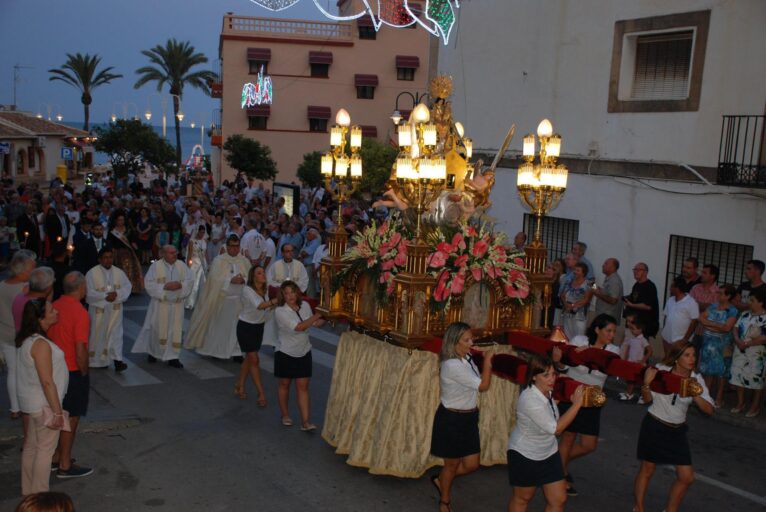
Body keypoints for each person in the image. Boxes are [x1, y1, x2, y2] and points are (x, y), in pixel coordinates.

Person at [633, 342, 714, 512]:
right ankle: (639, 507)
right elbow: (647, 400)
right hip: (655, 425)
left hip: (677, 431)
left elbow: (709, 410)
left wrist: (695, 393)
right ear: (677, 359)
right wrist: (646, 384)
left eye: (693, 355)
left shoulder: (696, 379)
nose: (692, 359)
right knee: (647, 469)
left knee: (687, 477)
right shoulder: (662, 371)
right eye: (687, 355)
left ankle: (670, 510)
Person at [552, 313, 620, 497]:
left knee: (589, 444)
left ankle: (557, 463)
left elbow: (607, 368)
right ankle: (561, 476)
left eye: (614, 331)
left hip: (593, 399)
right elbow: (563, 368)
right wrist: (561, 360)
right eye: (608, 330)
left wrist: (588, 356)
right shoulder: (579, 340)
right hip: (572, 394)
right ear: (597, 329)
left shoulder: (613, 350)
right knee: (568, 437)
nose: (611, 335)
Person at [506, 354, 585, 512]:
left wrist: (561, 399)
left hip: (549, 452)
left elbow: (550, 409)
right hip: (525, 455)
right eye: (546, 375)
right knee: (523, 499)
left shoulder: (547, 391)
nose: (552, 379)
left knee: (558, 499)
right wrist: (576, 405)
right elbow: (556, 429)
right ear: (534, 377)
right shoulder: (529, 399)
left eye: (553, 374)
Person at [429, 322, 494, 512]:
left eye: (471, 338)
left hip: (469, 418)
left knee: (472, 464)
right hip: (451, 420)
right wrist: (488, 363)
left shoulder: (466, 358)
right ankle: (445, 501)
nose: (471, 342)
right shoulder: (452, 365)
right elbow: (483, 386)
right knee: (452, 465)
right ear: (454, 342)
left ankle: (441, 480)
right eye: (466, 340)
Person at [16, 299, 68, 495]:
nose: (56, 311)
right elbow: (47, 382)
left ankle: (29, 493)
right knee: (45, 452)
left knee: (31, 447)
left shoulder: (27, 340)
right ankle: (40, 497)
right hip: (44, 405)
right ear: (40, 318)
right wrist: (57, 413)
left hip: (31, 403)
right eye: (51, 310)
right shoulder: (40, 344)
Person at [46, 272, 93, 479]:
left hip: (53, 368)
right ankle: (65, 462)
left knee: (58, 414)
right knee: (70, 419)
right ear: (81, 288)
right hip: (72, 369)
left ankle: (56, 456)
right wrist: (84, 371)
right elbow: (80, 348)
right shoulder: (80, 312)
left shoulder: (54, 305)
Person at [185, 235, 251, 360]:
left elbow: (251, 278)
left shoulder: (244, 261)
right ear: (227, 246)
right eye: (232, 246)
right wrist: (230, 280)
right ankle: (216, 351)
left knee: (238, 329)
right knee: (220, 328)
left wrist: (244, 279)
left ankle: (236, 353)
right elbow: (214, 280)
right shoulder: (219, 260)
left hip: (240, 301)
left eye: (237, 246)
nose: (235, 249)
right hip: (222, 300)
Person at [274, 280, 324, 430]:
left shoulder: (305, 306)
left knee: (303, 387)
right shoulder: (280, 311)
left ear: (297, 292)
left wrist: (327, 317)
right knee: (285, 384)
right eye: (286, 293)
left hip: (304, 351)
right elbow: (299, 327)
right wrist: (318, 314)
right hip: (286, 352)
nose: (290, 295)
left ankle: (305, 422)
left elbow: (313, 324)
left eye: (292, 292)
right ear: (283, 295)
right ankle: (285, 415)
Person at [132, 245, 193, 368]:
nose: (174, 255)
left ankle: (173, 357)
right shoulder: (155, 266)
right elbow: (148, 284)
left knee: (174, 331)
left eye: (175, 252)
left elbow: (190, 280)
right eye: (171, 253)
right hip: (160, 305)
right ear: (163, 254)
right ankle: (153, 352)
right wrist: (164, 287)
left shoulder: (182, 266)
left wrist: (180, 286)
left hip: (176, 305)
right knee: (156, 329)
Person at [1, 250, 36, 420]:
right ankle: (24, 404)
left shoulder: (2, 285)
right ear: (22, 269)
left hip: (5, 334)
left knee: (12, 372)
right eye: (31, 269)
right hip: (21, 335)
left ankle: (14, 408)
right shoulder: (24, 289)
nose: (33, 272)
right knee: (24, 372)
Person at [234, 265, 278, 404]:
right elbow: (259, 305)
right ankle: (261, 394)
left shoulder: (264, 290)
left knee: (249, 359)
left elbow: (266, 309)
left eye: (263, 272)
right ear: (253, 277)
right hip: (245, 327)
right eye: (259, 273)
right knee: (254, 359)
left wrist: (273, 305)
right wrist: (276, 300)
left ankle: (239, 385)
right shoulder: (247, 290)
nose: (263, 275)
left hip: (258, 328)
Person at [85, 248, 132, 372]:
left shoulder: (119, 272)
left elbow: (127, 287)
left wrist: (116, 294)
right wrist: (105, 296)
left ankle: (118, 361)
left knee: (116, 335)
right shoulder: (91, 273)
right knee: (98, 335)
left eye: (110, 257)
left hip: (115, 310)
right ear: (99, 259)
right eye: (105, 257)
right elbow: (88, 292)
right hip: (98, 310)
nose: (108, 260)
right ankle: (97, 361)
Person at [697, 284, 738, 407]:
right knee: (708, 371)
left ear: (728, 296)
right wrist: (717, 325)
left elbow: (727, 328)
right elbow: (701, 319)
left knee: (722, 372)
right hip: (708, 344)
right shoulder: (713, 306)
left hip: (723, 346)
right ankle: (706, 395)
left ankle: (719, 397)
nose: (718, 295)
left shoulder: (732, 310)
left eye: (721, 293)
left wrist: (709, 324)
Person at [729, 286, 766, 417]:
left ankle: (755, 406)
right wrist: (738, 340)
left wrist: (747, 343)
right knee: (738, 376)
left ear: (761, 302)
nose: (749, 302)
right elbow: (735, 328)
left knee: (756, 380)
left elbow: (764, 337)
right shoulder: (745, 314)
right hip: (740, 351)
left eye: (752, 300)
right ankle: (740, 402)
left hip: (757, 355)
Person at [623, 262, 659, 352]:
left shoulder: (650, 286)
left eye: (639, 270)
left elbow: (648, 306)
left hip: (643, 326)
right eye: (634, 269)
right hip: (632, 323)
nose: (635, 272)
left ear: (646, 272)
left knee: (641, 351)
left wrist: (632, 305)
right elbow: (634, 298)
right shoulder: (636, 285)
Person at [660, 276, 699, 356]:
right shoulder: (670, 300)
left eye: (672, 286)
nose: (670, 288)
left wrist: (685, 339)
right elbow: (666, 317)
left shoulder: (691, 303)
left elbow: (694, 322)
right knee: (668, 360)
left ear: (677, 288)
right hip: (667, 338)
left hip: (680, 340)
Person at [108, 212, 144, 294]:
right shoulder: (112, 231)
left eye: (122, 220)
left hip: (128, 253)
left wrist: (136, 247)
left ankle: (132, 288)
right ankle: (120, 289)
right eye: (119, 220)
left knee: (130, 271)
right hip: (117, 254)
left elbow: (133, 240)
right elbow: (110, 242)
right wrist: (112, 250)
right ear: (115, 221)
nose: (121, 221)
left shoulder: (128, 230)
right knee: (120, 272)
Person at [618, 318, 652, 402]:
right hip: (630, 362)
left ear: (640, 329)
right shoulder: (632, 338)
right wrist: (625, 359)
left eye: (633, 329)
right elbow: (628, 348)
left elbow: (650, 351)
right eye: (631, 329)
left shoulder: (643, 340)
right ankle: (630, 393)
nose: (632, 331)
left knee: (632, 380)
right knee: (629, 378)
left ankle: (630, 395)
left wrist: (643, 361)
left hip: (637, 364)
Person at [689, 264, 720, 351]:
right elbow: (689, 306)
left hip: (709, 333)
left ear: (712, 276)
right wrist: (706, 306)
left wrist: (698, 304)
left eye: (704, 272)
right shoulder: (695, 288)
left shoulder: (718, 292)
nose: (701, 274)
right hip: (693, 331)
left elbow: (714, 310)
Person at [592, 258, 623, 341]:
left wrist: (597, 293)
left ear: (613, 268)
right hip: (603, 315)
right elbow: (604, 292)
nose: (603, 265)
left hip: (608, 317)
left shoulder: (614, 281)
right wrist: (593, 285)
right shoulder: (609, 278)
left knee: (606, 340)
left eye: (606, 264)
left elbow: (613, 300)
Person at [560, 262, 593, 340]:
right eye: (574, 270)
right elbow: (562, 294)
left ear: (583, 273)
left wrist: (572, 306)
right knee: (567, 336)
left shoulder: (590, 283)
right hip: (568, 313)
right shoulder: (569, 281)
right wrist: (566, 305)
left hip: (580, 315)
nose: (575, 272)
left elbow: (587, 299)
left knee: (579, 337)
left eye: (578, 270)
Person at [184, 225, 208, 310]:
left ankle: (201, 302)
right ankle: (190, 303)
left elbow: (206, 253)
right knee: (194, 284)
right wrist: (188, 265)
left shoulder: (204, 241)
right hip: (194, 263)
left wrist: (207, 264)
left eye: (203, 232)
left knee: (203, 283)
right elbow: (189, 254)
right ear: (197, 231)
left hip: (203, 263)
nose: (202, 234)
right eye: (201, 232)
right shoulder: (192, 241)